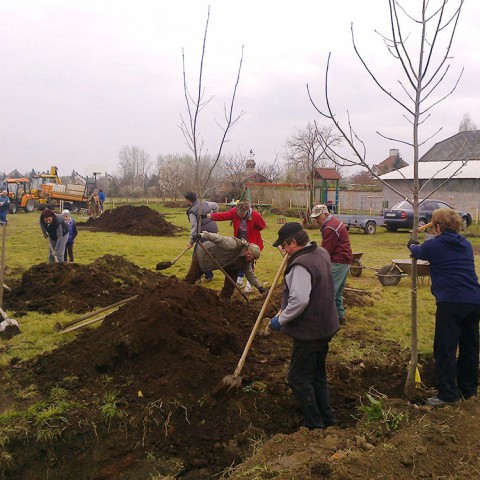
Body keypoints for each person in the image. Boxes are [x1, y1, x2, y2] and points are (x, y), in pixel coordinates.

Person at [269, 222, 339, 430]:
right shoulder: (321, 253)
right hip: (326, 325)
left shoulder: (300, 265)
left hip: (310, 331)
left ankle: (315, 426)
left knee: (297, 378)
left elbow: (299, 300)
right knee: (317, 375)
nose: (283, 250)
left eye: (284, 246)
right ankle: (328, 420)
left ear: (293, 242)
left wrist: (281, 320)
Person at [408, 208, 480, 407]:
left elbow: (417, 251)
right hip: (474, 301)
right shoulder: (466, 244)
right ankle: (469, 390)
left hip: (451, 303)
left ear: (437, 227)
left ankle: (447, 394)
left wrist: (412, 244)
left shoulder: (435, 245)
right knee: (470, 347)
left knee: (445, 348)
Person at [184, 231, 266, 301]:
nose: (252, 261)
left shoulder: (245, 260)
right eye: (252, 258)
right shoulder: (233, 244)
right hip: (206, 253)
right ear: (248, 253)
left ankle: (224, 299)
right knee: (190, 278)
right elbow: (218, 238)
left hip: (225, 262)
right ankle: (181, 293)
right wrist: (202, 235)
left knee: (234, 274)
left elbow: (250, 274)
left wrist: (260, 287)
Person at [208, 201, 266, 292]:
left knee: (250, 262)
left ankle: (249, 284)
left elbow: (262, 226)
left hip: (252, 242)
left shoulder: (255, 216)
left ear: (246, 211)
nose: (240, 216)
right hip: (240, 241)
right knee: (239, 259)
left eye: (242, 214)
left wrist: (254, 229)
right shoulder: (234, 212)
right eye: (238, 214)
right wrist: (211, 216)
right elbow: (224, 216)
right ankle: (239, 279)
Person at [310, 204, 353, 325]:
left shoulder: (330, 228)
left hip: (338, 261)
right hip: (344, 260)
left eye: (318, 217)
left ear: (325, 213)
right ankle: (340, 317)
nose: (316, 220)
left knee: (328, 292)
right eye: (315, 218)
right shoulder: (333, 222)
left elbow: (326, 251)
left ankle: (327, 321)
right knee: (337, 292)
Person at [184, 192, 219, 282]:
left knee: (197, 255)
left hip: (203, 234)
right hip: (214, 231)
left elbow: (194, 227)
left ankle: (196, 278)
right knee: (208, 253)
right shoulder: (204, 203)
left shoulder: (192, 211)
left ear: (188, 200)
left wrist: (191, 241)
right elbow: (215, 205)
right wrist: (213, 215)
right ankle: (208, 275)